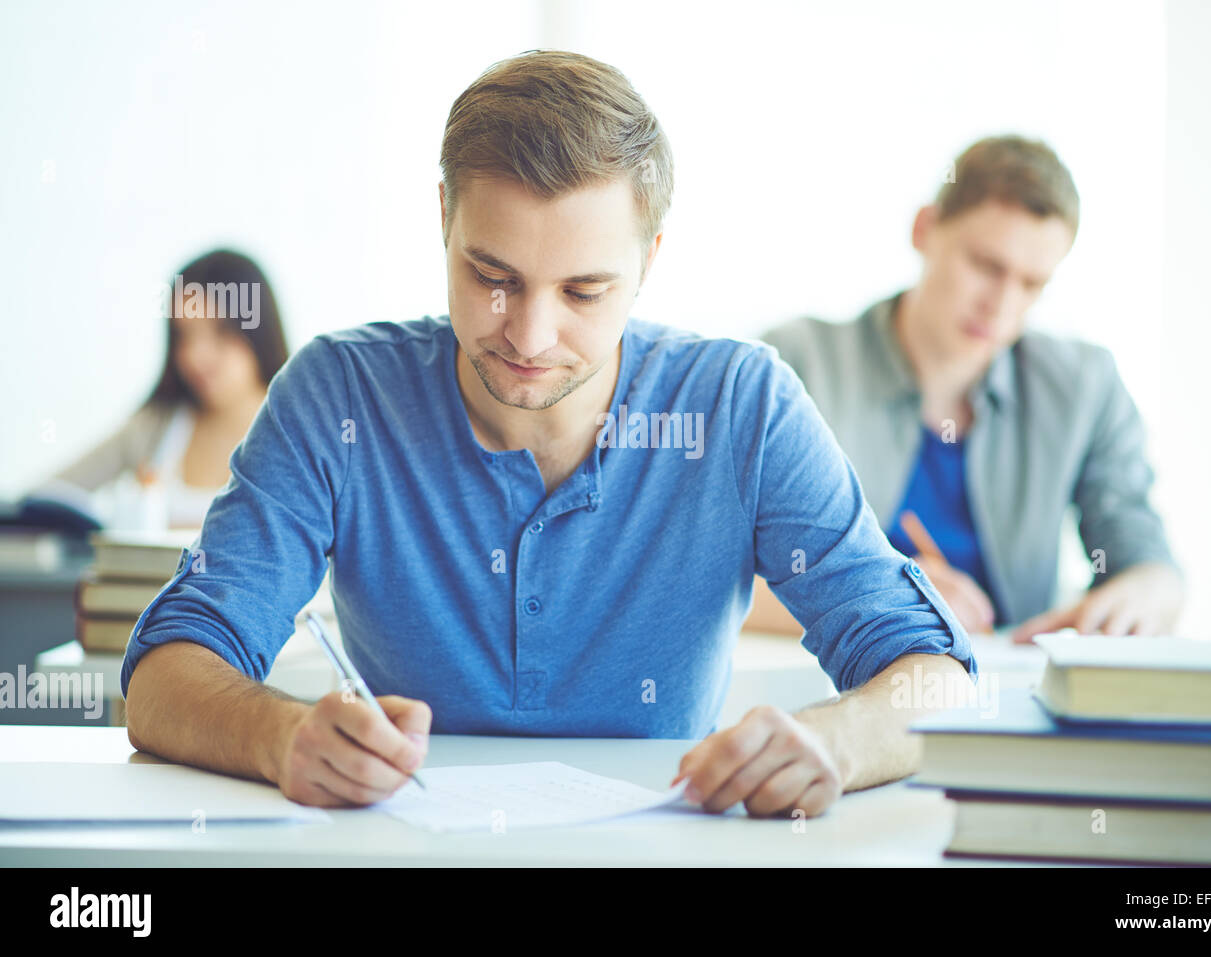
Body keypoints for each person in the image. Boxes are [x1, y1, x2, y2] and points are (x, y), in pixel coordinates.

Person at [121, 51, 976, 820]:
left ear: (650, 260)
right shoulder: (338, 392)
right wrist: (283, 735)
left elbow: (937, 673)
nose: (528, 335)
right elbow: (163, 676)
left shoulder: (741, 406)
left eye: (584, 290)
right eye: (492, 277)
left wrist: (835, 741)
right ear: (444, 218)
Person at [753, 136, 1184, 644]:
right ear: (924, 229)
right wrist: (884, 593)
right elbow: (710, 573)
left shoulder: (1084, 388)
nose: (1001, 305)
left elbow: (1147, 561)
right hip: (830, 685)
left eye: (1031, 284)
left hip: (1008, 695)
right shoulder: (796, 365)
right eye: (985, 266)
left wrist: (1144, 592)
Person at [40, 250, 289, 529]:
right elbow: (47, 500)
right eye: (184, 335)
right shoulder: (154, 427)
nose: (196, 356)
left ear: (259, 332)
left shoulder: (300, 434)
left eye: (221, 332)